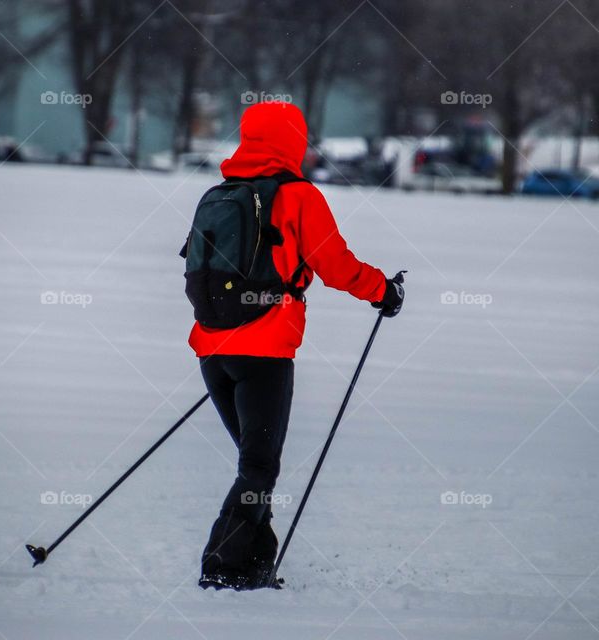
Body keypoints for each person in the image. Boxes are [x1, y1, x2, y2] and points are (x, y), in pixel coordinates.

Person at [190, 101, 404, 590]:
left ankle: (256, 562)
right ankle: (221, 567)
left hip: (212, 350)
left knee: (256, 467)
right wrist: (383, 291)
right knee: (259, 467)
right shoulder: (299, 196)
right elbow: (336, 266)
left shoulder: (221, 193)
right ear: (292, 141)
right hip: (263, 351)